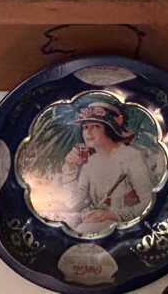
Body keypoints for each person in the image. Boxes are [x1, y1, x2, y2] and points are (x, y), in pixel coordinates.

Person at [58, 101, 154, 235]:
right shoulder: (90, 163)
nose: (88, 132)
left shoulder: (131, 156)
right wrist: (69, 169)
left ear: (110, 129)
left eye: (95, 126)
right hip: (96, 225)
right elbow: (72, 202)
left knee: (84, 230)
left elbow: (149, 202)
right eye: (85, 127)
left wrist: (113, 216)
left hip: (128, 229)